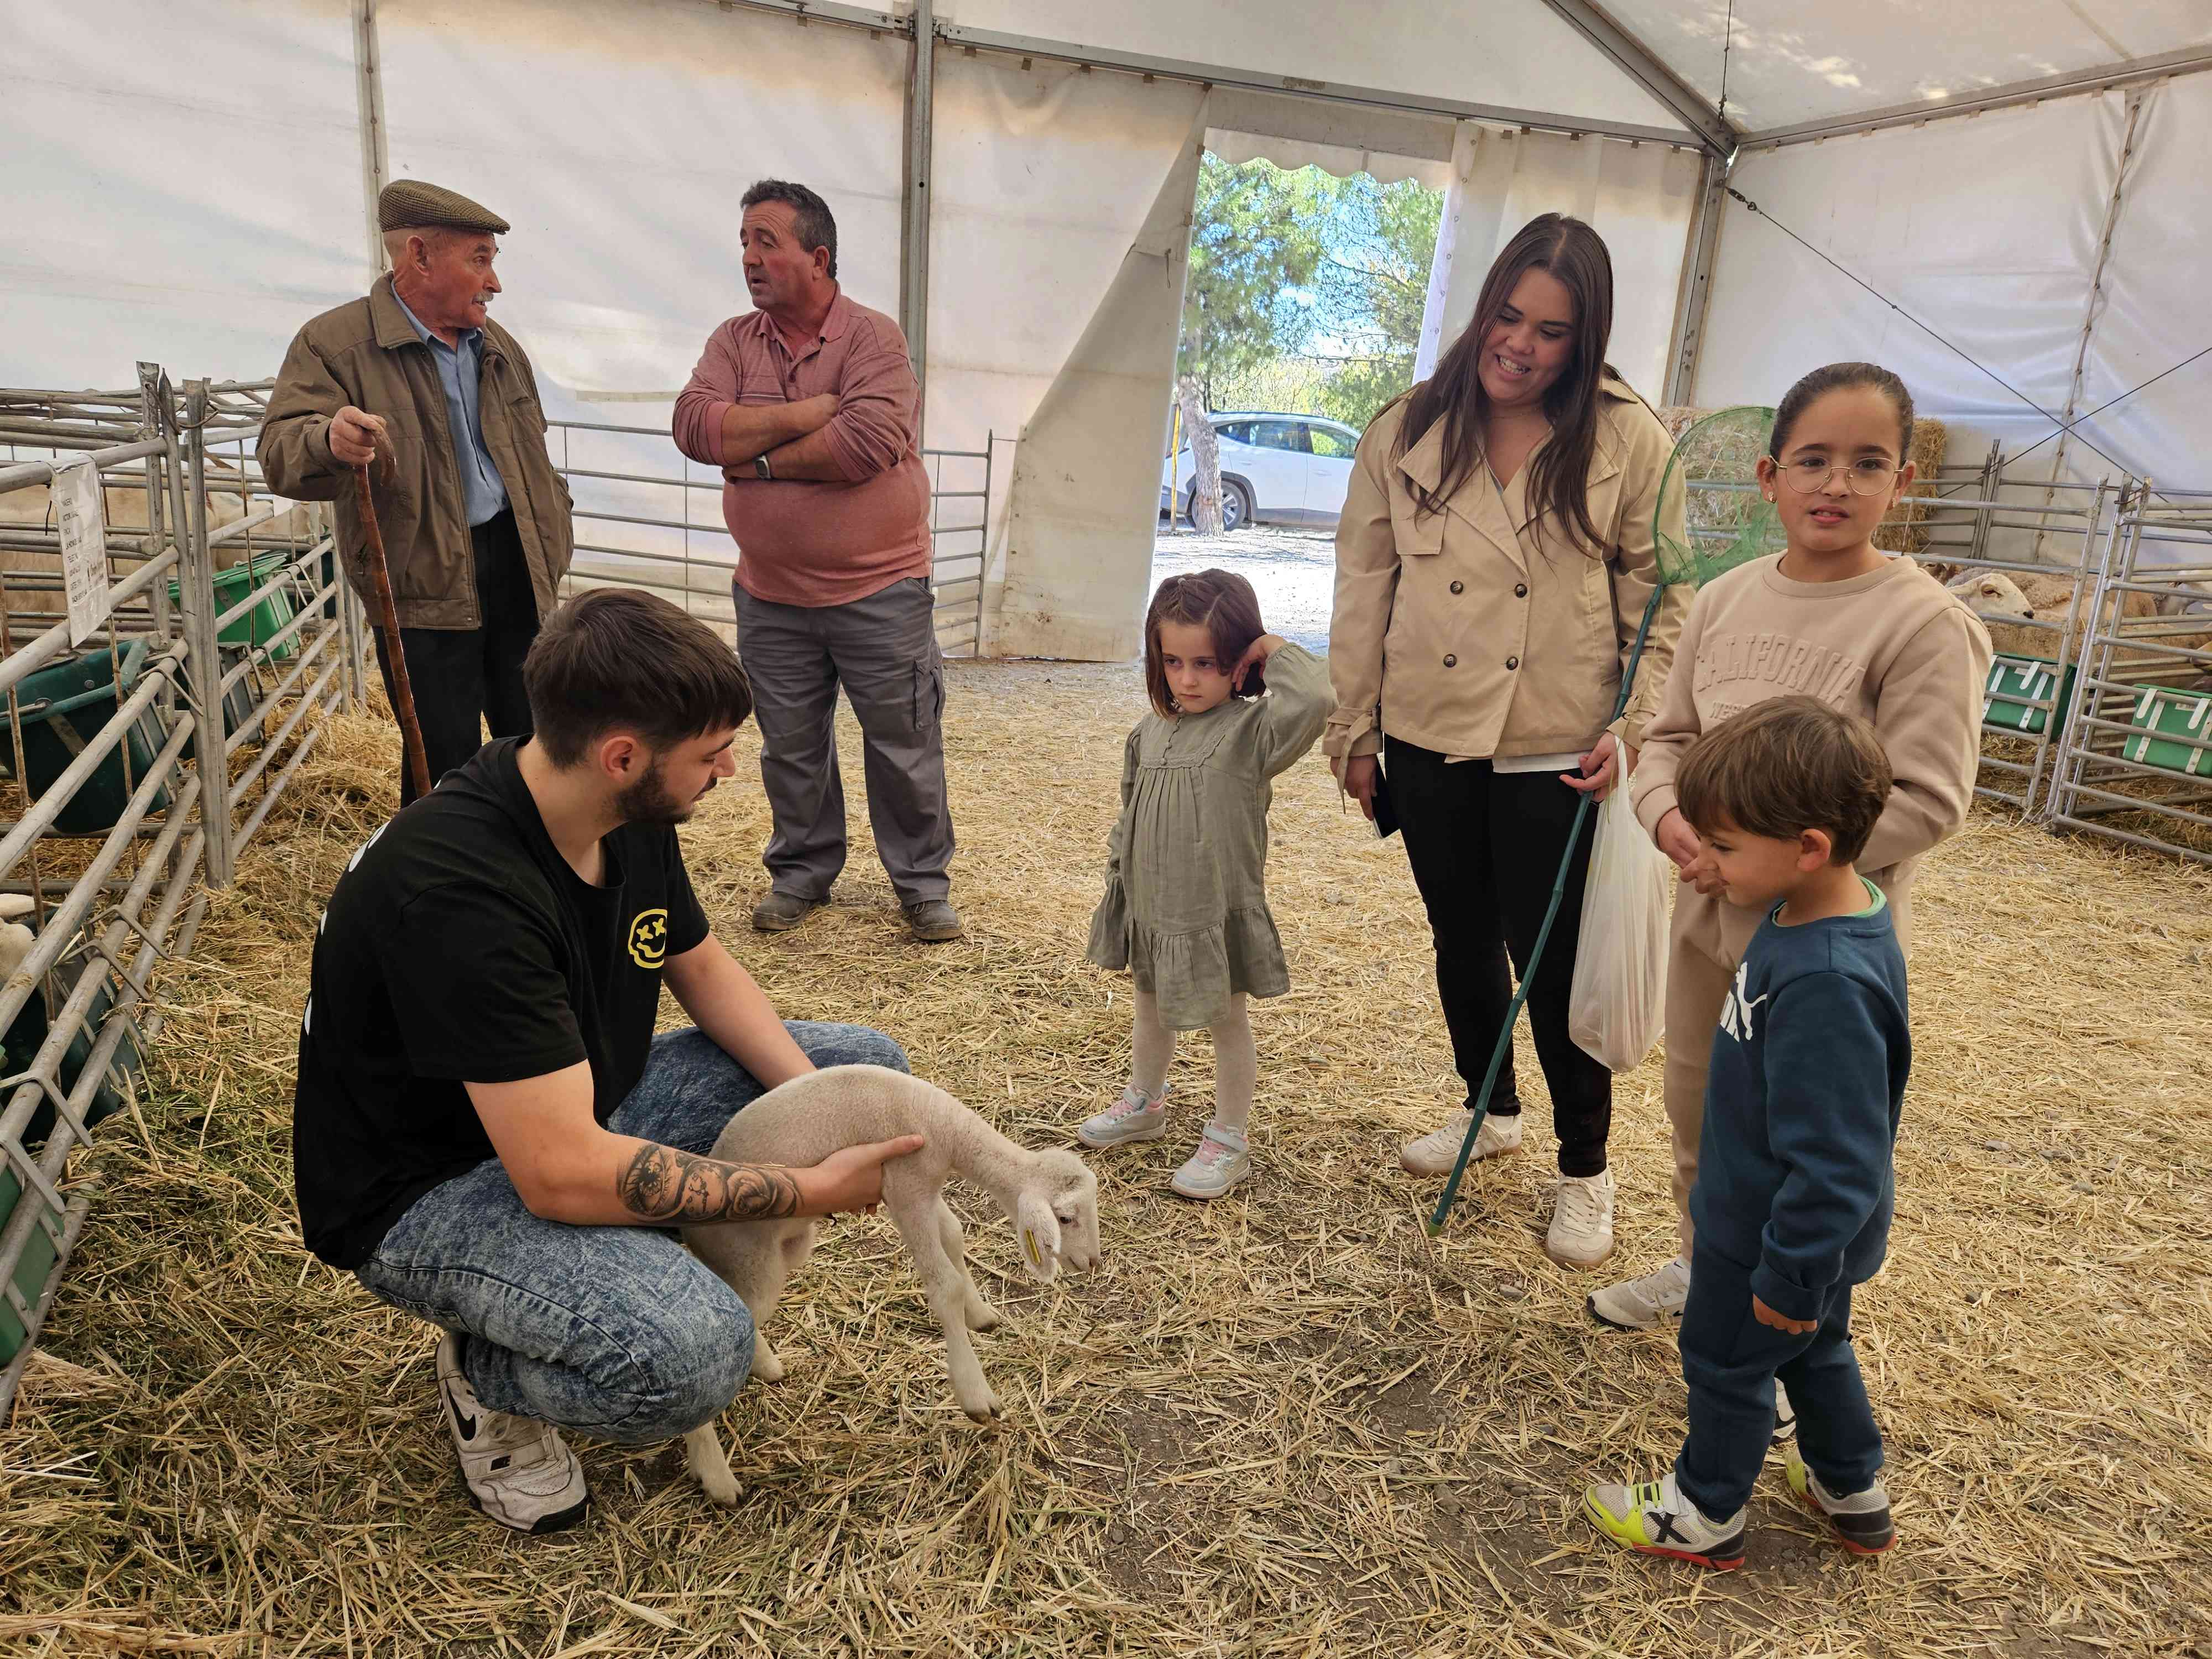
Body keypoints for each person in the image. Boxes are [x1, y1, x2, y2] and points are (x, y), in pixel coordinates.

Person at [292, 588, 924, 1534]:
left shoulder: (618, 811)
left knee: (863, 1074)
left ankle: (608, 1272)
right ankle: (489, 1376)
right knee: (692, 1361)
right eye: (712, 755)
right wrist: (800, 1187)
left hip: (573, 1107)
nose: (732, 772)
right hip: (435, 1190)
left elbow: (700, 965)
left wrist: (817, 1109)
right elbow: (554, 1176)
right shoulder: (462, 895)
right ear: (623, 755)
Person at [1592, 362, 1991, 1334]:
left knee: (1797, 1135)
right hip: (1705, 907)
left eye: (1867, 464)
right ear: (1770, 477)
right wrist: (1669, 820)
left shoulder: (1924, 624)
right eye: (1813, 460)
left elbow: (1930, 799)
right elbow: (1672, 739)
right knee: (1698, 1104)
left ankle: (1787, 1325)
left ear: (1903, 482)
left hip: (1814, 944)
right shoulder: (1725, 601)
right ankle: (1703, 1264)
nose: (1836, 485)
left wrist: (1774, 865)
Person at [1326, 212, 1687, 1269]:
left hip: (1554, 744)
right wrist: (1353, 730)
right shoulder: (1405, 429)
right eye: (1509, 315)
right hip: (1429, 738)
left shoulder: (1628, 438)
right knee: (1460, 938)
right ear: (1481, 308)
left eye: (1554, 330)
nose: (1521, 345)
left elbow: (1666, 600)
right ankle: (1490, 1110)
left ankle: (1587, 1167)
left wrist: (1635, 726)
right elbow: (1363, 589)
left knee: (1557, 960)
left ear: (1588, 340)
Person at [1584, 696, 1909, 1568]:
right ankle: (1851, 1484)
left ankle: (1705, 1511)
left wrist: (1789, 1275)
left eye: (1724, 847)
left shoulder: (1825, 983)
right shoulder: (1819, 910)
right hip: (1789, 1235)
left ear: (1807, 847)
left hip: (1769, 1238)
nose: (1707, 861)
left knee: (1727, 1364)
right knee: (1816, 1352)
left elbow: (1838, 1164)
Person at [671, 179, 958, 945]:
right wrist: (805, 416)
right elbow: (695, 427)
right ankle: (802, 871)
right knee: (791, 745)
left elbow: (865, 443)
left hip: (881, 587)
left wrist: (757, 459)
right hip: (770, 594)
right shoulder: (735, 340)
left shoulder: (873, 339)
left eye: (767, 241)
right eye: (744, 242)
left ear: (819, 257)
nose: (749, 258)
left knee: (903, 743)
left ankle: (922, 886)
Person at [261, 179, 574, 806]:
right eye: (479, 260)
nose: (494, 282)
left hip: (518, 565)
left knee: (539, 744)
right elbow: (280, 452)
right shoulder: (335, 345)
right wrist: (329, 439)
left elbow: (531, 450)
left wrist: (553, 519)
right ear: (419, 256)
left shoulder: (498, 345)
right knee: (442, 758)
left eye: (492, 261)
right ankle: (444, 884)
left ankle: (537, 873)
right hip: (422, 580)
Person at [1077, 571, 1328, 1199]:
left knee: (1224, 1018)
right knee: (1149, 1002)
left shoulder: (1254, 733)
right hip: (1152, 902)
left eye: (1208, 663)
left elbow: (1319, 697)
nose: (1187, 679)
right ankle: (1145, 1103)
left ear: (1238, 661)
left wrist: (1269, 647)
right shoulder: (1148, 732)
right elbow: (1128, 813)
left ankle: (1229, 1137)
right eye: (1173, 662)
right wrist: (1119, 879)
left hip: (1211, 909)